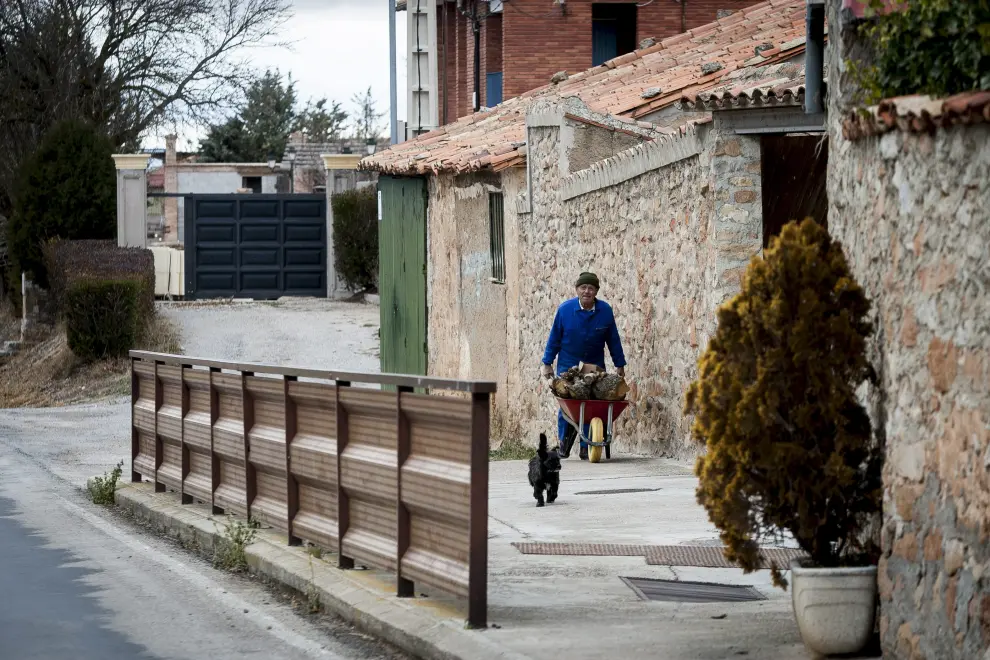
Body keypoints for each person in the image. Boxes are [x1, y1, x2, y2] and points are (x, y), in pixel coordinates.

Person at [540, 271, 626, 460]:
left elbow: (613, 340)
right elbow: (554, 339)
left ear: (596, 291)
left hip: (593, 365)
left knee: (592, 405)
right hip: (568, 363)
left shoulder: (605, 311)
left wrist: (619, 364)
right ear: (577, 289)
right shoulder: (565, 310)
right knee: (567, 405)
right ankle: (564, 443)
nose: (587, 291)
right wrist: (547, 362)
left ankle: (585, 446)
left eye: (591, 288)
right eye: (583, 287)